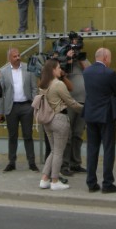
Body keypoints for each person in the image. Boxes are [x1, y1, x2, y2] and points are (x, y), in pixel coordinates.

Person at [83, 47, 116, 193]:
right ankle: (107, 183)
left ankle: (91, 182)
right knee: (108, 149)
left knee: (92, 148)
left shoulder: (86, 72)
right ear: (106, 58)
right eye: (110, 58)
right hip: (106, 115)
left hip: (90, 114)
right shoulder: (109, 73)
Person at [37, 59, 83, 191]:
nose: (60, 70)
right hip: (59, 119)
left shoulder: (43, 85)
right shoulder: (58, 84)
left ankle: (44, 178)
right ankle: (55, 180)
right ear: (53, 70)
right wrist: (85, 110)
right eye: (58, 68)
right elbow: (71, 102)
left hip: (47, 120)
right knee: (58, 152)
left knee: (53, 151)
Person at [0, 47, 39, 172]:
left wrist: (33, 104)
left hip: (26, 106)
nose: (18, 58)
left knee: (28, 135)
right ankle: (11, 162)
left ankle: (31, 162)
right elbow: (0, 93)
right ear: (9, 58)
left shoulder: (28, 69)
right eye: (15, 56)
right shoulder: (3, 72)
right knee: (12, 136)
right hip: (11, 107)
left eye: (19, 55)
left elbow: (34, 88)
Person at [62, 53, 90, 177]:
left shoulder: (82, 59)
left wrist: (80, 59)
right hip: (69, 102)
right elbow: (60, 75)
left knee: (78, 134)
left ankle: (76, 163)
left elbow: (90, 71)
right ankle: (64, 164)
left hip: (83, 102)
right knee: (67, 135)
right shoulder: (64, 60)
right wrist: (68, 60)